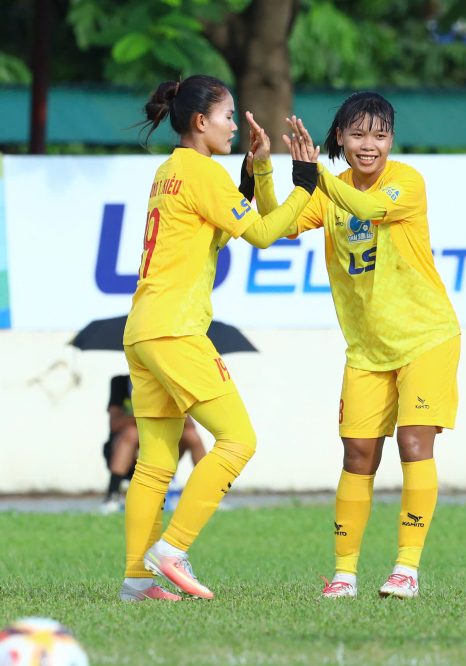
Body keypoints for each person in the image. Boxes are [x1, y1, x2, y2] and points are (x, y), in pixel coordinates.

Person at [248, 92, 460, 599]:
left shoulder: (405, 182)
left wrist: (313, 172)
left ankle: (406, 569)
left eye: (380, 135)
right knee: (358, 455)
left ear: (391, 140)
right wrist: (263, 172)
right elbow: (273, 227)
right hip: (366, 350)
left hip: (426, 337)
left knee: (413, 444)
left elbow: (365, 207)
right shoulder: (330, 189)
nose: (370, 146)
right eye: (359, 134)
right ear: (340, 137)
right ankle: (344, 576)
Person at [118, 74, 319, 602]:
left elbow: (231, 219)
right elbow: (261, 234)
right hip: (176, 329)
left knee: (156, 462)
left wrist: (259, 168)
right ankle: (173, 549)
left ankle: (137, 580)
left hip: (142, 329)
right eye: (229, 117)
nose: (235, 126)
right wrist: (307, 182)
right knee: (239, 440)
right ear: (200, 121)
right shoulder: (202, 172)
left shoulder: (170, 170)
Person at [101, 374, 206, 513]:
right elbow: (114, 424)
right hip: (127, 452)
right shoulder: (120, 383)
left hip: (161, 449)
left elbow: (191, 427)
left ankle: (209, 495)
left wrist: (174, 401)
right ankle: (112, 495)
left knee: (191, 436)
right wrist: (145, 413)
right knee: (132, 433)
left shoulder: (167, 384)